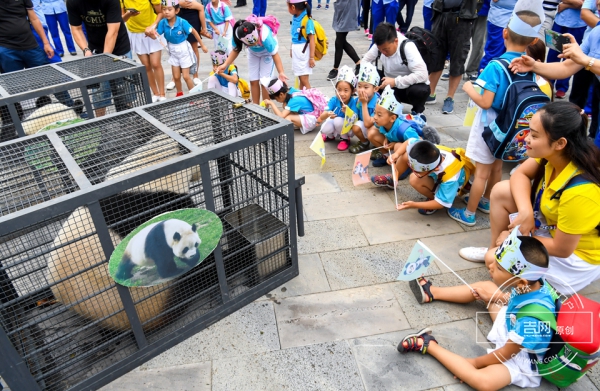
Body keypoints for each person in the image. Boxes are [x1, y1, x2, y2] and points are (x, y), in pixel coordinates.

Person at [460, 102, 600, 295]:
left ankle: (514, 287)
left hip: (575, 257)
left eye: (534, 136)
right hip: (548, 229)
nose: (526, 139)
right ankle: (496, 251)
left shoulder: (581, 192)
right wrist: (525, 212)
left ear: (560, 143)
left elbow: (562, 249)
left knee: (493, 260)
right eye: (528, 132)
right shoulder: (553, 155)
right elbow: (519, 175)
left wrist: (514, 238)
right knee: (502, 191)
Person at [403, 235, 555, 390]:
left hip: (522, 355)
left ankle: (427, 343)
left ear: (521, 282)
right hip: (513, 323)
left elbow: (505, 353)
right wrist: (492, 297)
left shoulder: (531, 321)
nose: (490, 266)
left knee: (484, 382)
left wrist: (474, 364)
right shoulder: (534, 284)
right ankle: (431, 292)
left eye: (499, 268)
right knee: (488, 287)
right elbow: (517, 299)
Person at [448, 6, 542, 227]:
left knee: (481, 172)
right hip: (511, 128)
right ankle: (488, 201)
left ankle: (469, 214)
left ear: (504, 33)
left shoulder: (495, 66)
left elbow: (485, 102)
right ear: (532, 41)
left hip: (489, 126)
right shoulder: (530, 66)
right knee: (497, 167)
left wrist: (469, 87)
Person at [510, 25, 600, 145]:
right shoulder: (596, 32)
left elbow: (582, 59)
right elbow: (566, 67)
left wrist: (586, 60)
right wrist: (533, 66)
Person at [67, 0, 134, 116]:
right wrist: (86, 50)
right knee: (99, 92)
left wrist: (105, 58)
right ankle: (100, 123)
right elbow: (76, 29)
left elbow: (112, 32)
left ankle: (129, 118)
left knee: (125, 89)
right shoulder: (73, 2)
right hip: (95, 48)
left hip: (119, 46)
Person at [379, 137, 472, 215]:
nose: (414, 172)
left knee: (414, 179)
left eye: (418, 172)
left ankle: (433, 198)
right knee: (406, 154)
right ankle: (393, 179)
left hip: (450, 187)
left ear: (435, 169)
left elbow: (441, 204)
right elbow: (409, 141)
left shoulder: (451, 178)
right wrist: (396, 154)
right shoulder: (425, 149)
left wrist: (414, 205)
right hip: (438, 176)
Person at [362, 23, 430, 120]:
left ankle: (417, 111)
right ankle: (382, 104)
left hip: (409, 87)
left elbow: (423, 75)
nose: (383, 53)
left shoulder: (408, 47)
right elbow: (364, 62)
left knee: (419, 90)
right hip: (388, 85)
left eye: (386, 49)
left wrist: (395, 81)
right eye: (381, 50)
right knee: (366, 73)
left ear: (396, 41)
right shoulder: (380, 46)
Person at [426, 0, 480, 115]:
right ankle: (430, 93)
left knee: (458, 58)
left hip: (462, 17)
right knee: (436, 55)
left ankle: (450, 97)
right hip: (441, 13)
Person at [217, 18, 288, 104]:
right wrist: (225, 64)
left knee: (264, 81)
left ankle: (265, 108)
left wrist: (281, 72)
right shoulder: (238, 34)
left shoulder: (265, 35)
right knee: (253, 80)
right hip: (253, 53)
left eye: (256, 41)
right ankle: (256, 107)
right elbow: (236, 50)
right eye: (251, 44)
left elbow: (275, 54)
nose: (255, 44)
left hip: (267, 53)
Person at [154, 0, 206, 97]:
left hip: (184, 50)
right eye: (164, 9)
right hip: (172, 51)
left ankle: (193, 95)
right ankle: (179, 94)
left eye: (169, 9)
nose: (166, 12)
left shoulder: (182, 22)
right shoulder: (162, 23)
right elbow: (156, 34)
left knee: (186, 76)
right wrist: (149, 32)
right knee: (176, 77)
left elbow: (194, 31)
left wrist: (202, 45)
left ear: (176, 11)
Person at [121, 0, 166, 102]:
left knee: (155, 63)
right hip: (135, 33)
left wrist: (153, 26)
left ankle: (162, 94)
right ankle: (155, 93)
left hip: (151, 31)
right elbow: (121, 19)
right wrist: (129, 14)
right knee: (146, 66)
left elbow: (160, 12)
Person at [367, 86, 423, 168]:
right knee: (372, 134)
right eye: (375, 113)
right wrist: (386, 139)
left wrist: (396, 145)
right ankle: (387, 156)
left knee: (397, 146)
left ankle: (405, 166)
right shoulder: (382, 123)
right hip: (396, 146)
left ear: (392, 118)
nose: (375, 117)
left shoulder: (404, 129)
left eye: (379, 115)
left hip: (412, 153)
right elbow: (387, 132)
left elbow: (417, 143)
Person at [546, 0, 587, 99]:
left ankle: (562, 87)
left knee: (570, 55)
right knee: (553, 54)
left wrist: (566, 5)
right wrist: (574, 3)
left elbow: (583, 5)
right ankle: (548, 83)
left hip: (579, 25)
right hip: (560, 22)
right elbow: (578, 3)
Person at [0, 0, 54, 73]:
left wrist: (46, 43)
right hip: (6, 49)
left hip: (30, 45)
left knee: (44, 74)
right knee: (14, 81)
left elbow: (34, 19)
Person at [320, 65, 359, 150]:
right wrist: (327, 114)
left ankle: (345, 139)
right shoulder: (334, 100)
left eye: (346, 90)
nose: (341, 93)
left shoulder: (353, 102)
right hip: (335, 124)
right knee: (324, 128)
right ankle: (330, 136)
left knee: (338, 120)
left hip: (347, 127)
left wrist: (347, 112)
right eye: (339, 90)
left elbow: (355, 118)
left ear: (352, 91)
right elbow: (322, 116)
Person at [326, 0, 362, 81]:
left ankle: (335, 68)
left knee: (339, 40)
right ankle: (358, 63)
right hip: (341, 6)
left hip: (349, 6)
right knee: (341, 40)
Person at [350, 62, 380, 153]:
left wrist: (364, 104)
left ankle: (379, 148)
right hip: (367, 126)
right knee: (355, 127)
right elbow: (353, 117)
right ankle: (364, 143)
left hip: (378, 129)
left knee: (372, 131)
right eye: (359, 86)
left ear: (375, 89)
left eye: (366, 87)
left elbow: (368, 124)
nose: (361, 90)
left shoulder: (378, 102)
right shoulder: (357, 100)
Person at [478, 0, 516, 72]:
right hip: (500, 21)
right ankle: (482, 81)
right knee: (493, 56)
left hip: (517, 20)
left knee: (511, 58)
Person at [288, 0, 315, 90]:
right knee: (301, 78)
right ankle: (302, 99)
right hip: (297, 51)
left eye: (288, 7)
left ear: (293, 7)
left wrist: (311, 58)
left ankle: (314, 100)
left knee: (304, 79)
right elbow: (294, 36)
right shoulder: (295, 17)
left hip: (303, 51)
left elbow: (312, 39)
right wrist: (291, 49)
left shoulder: (307, 19)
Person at [464, 0, 490, 81]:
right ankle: (454, 70)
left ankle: (472, 70)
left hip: (483, 10)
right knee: (459, 42)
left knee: (478, 42)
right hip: (464, 9)